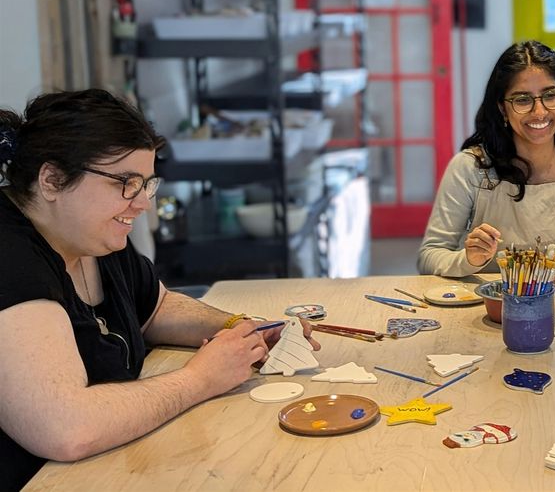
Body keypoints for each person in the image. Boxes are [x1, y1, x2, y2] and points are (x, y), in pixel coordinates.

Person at [0, 89, 319, 491]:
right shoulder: (11, 260)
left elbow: (156, 307)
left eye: (147, 185)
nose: (143, 205)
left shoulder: (91, 235)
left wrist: (242, 328)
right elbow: (66, 427)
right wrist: (200, 379)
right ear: (52, 180)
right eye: (125, 184)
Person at [418, 40, 555, 290]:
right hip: (491, 308)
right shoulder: (470, 167)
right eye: (523, 100)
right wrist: (468, 260)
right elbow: (430, 255)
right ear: (503, 108)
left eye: (550, 95)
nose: (539, 112)